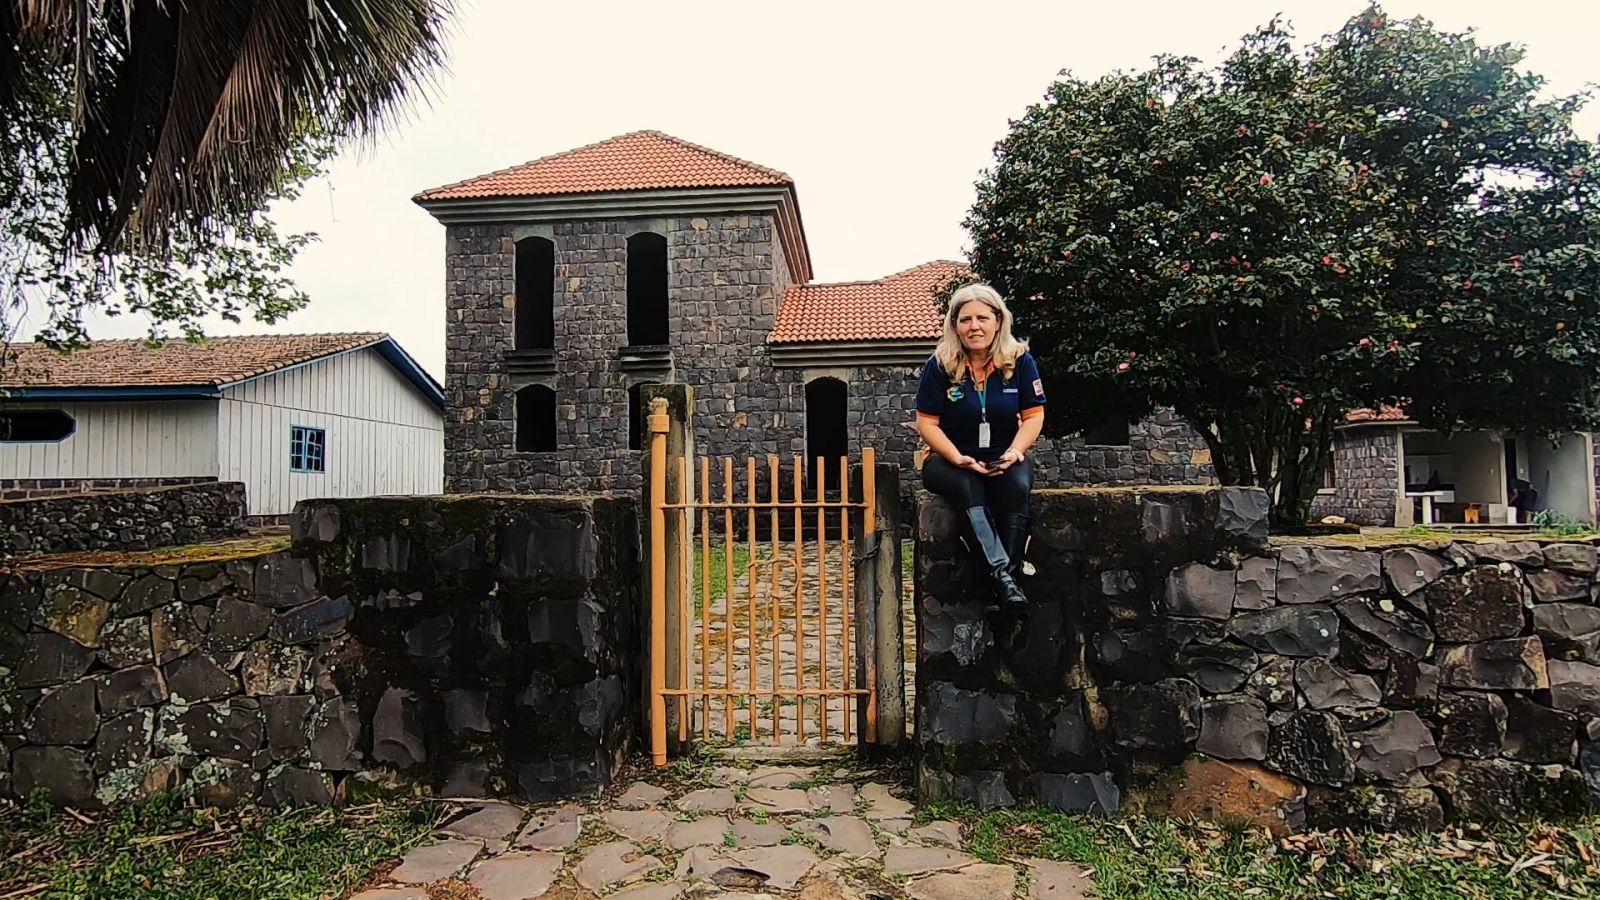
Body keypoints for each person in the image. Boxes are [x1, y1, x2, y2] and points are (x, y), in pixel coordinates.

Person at [914, 282, 1046, 629]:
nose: (974, 326)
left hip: (1004, 454)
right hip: (949, 459)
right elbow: (927, 423)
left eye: (982, 318)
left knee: (1017, 487)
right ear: (954, 325)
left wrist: (1015, 452)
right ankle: (1005, 582)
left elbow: (1034, 416)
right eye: (965, 319)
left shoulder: (1020, 361)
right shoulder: (940, 365)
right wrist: (956, 456)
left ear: (998, 321)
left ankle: (1005, 591)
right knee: (967, 485)